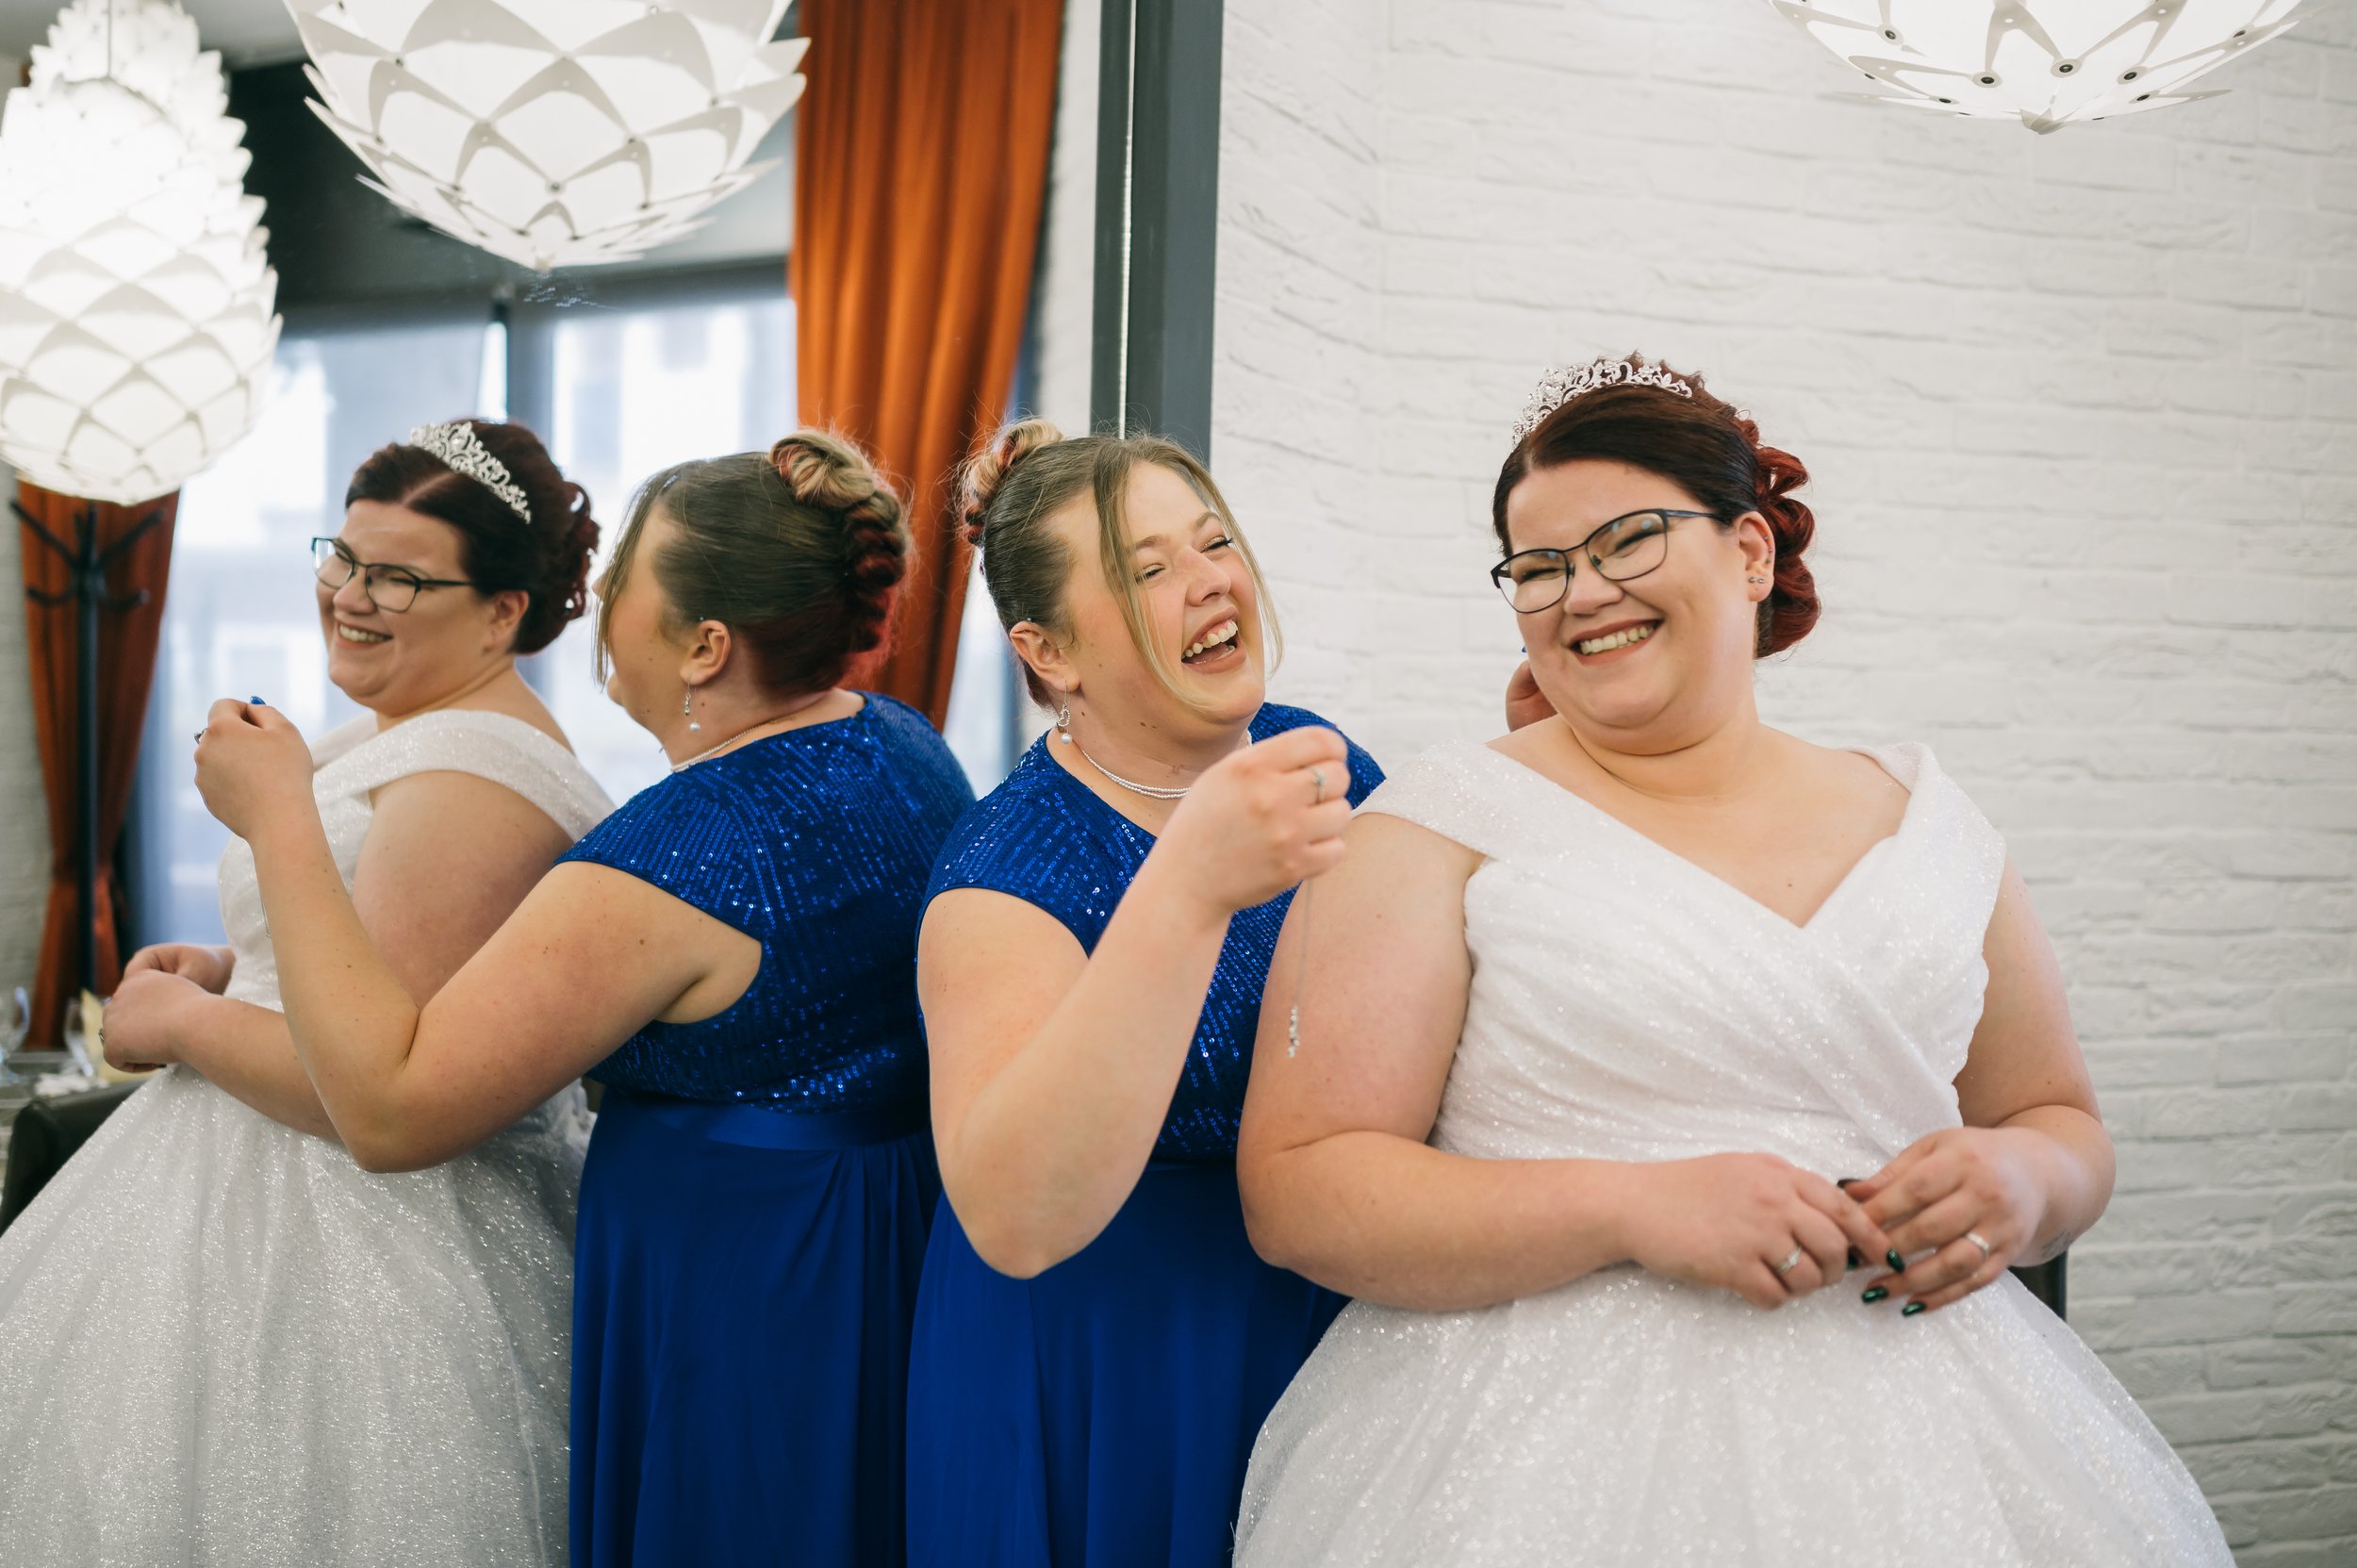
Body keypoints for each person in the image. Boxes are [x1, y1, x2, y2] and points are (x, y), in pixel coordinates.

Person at [1229, 356, 2233, 1566]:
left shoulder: (1928, 819)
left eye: (1627, 540)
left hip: (1939, 1448)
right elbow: (1299, 1190)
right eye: (1538, 568)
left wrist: (2022, 1182)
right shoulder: (1436, 823)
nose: (1578, 591)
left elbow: (2058, 1119)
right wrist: (1630, 1204)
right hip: (1532, 1459)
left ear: (1750, 554)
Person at [193, 432, 972, 1568]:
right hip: (881, 1240)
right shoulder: (901, 743)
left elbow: (392, 1109)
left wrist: (278, 820)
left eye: (623, 588)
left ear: (704, 645)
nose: (599, 604)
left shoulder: (672, 852)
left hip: (737, 1289)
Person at [0, 420, 610, 1567]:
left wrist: (181, 1022)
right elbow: (368, 964)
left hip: (363, 1242)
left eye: (400, 576)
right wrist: (235, 970)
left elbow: (371, 1086)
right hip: (237, 1192)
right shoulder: (410, 730)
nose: (352, 594)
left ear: (502, 612)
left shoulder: (477, 769)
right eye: (345, 556)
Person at [904, 420, 1380, 1568]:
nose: (1209, 581)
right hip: (1105, 1363)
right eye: (1143, 571)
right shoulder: (1003, 874)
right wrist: (1186, 891)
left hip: (1323, 1313)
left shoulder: (1323, 761)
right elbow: (1013, 1215)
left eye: (1209, 542)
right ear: (1050, 651)